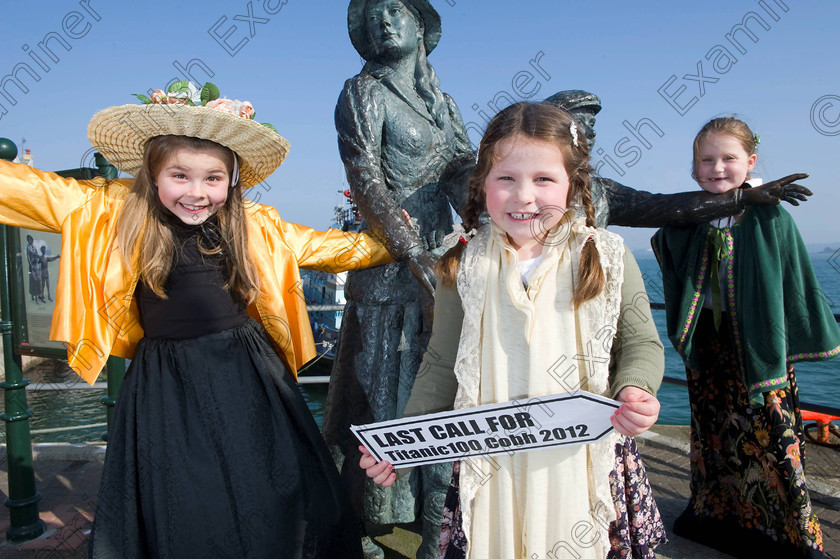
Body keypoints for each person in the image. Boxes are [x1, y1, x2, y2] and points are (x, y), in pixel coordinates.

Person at [0, 83, 396, 558]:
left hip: (247, 371)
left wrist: (395, 243)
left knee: (275, 478)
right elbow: (25, 190)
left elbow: (328, 248)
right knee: (185, 490)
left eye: (213, 178)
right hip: (167, 379)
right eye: (180, 176)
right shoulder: (111, 210)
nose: (196, 192)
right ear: (152, 174)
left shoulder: (254, 223)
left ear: (231, 181)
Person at [361, 102, 668, 558]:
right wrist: (403, 444)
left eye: (544, 179)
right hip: (491, 466)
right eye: (506, 179)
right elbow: (443, 363)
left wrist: (636, 388)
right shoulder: (460, 264)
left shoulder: (607, 255)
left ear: (572, 183)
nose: (524, 196)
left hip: (585, 462)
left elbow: (641, 341)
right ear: (482, 185)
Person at [323, 1, 474, 557]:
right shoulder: (361, 92)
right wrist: (414, 255)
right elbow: (365, 179)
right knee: (384, 409)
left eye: (396, 10)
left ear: (420, 26)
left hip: (441, 272)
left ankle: (430, 533)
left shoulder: (443, 103)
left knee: (438, 409)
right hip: (389, 280)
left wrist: (490, 224)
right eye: (372, 16)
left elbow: (463, 175)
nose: (382, 21)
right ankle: (380, 536)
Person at [652, 117, 840, 558]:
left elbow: (792, 279)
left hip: (756, 343)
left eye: (728, 158)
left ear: (750, 162)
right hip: (711, 341)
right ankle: (718, 516)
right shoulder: (694, 213)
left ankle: (795, 534)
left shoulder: (768, 214)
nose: (717, 167)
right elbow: (665, 239)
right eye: (706, 159)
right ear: (694, 166)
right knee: (715, 432)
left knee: (772, 431)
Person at [543, 90, 813, 228]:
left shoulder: (601, 193)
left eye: (592, 124)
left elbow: (665, 207)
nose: (590, 132)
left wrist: (744, 198)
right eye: (580, 122)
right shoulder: (512, 188)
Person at [24, 234, 44, 302]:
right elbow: (31, 256)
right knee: (33, 280)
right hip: (32, 266)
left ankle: (38, 295)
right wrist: (39, 257)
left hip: (36, 265)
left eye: (31, 239)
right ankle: (33, 295)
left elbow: (36, 253)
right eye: (29, 239)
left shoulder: (34, 246)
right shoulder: (28, 247)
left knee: (38, 280)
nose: (30, 240)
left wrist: (39, 258)